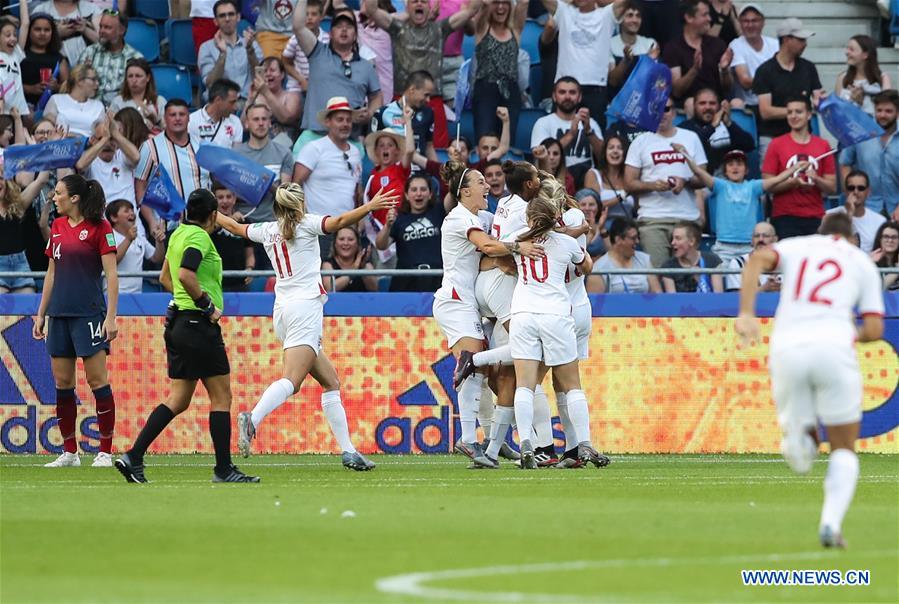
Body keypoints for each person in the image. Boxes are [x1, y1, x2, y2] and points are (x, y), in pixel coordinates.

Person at [218, 183, 398, 470]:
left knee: (331, 382)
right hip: (305, 309)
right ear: (300, 205)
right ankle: (252, 418)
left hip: (282, 311)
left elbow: (236, 228)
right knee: (292, 381)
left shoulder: (267, 230)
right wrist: (369, 207)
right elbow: (338, 222)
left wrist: (208, 212)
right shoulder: (307, 224)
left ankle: (349, 451)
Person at [735, 212, 885, 549]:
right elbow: (875, 329)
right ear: (850, 237)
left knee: (800, 457)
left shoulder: (798, 246)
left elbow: (756, 259)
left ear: (821, 231)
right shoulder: (861, 263)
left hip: (788, 348)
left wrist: (746, 314)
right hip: (834, 349)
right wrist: (852, 334)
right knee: (844, 448)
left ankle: (799, 440)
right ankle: (831, 523)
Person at [115, 189, 260, 484]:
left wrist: (184, 300)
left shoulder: (178, 234)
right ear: (211, 215)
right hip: (197, 324)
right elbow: (184, 275)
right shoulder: (198, 238)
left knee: (179, 399)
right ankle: (223, 470)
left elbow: (164, 278)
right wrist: (206, 305)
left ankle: (134, 456)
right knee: (222, 396)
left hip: (179, 323)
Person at [436, 160, 543, 467]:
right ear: (465, 191)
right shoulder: (458, 218)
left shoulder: (480, 215)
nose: (487, 186)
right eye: (480, 182)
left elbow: (500, 222)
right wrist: (518, 249)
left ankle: (490, 439)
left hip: (471, 301)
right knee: (472, 368)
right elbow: (486, 245)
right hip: (456, 299)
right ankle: (469, 441)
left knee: (484, 375)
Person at [505, 193, 607, 469]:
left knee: (525, 383)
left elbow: (495, 247)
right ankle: (584, 443)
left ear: (529, 218)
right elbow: (586, 267)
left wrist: (518, 246)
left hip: (523, 313)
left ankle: (526, 441)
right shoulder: (566, 242)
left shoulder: (518, 239)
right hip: (556, 315)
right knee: (571, 384)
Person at [33, 174, 118, 468]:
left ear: (75, 198)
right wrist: (41, 313)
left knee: (97, 381)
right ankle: (70, 452)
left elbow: (112, 275)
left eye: (57, 193)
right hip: (59, 313)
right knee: (63, 383)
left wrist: (111, 317)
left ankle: (105, 451)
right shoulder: (57, 227)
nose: (53, 198)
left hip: (89, 314)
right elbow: (51, 273)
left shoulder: (100, 227)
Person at [363, 0, 482, 148]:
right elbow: (371, 9)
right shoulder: (396, 28)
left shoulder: (440, 29)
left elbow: (472, 10)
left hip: (433, 102)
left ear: (429, 7)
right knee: (399, 153)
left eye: (423, 2)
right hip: (401, 103)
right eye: (414, 1)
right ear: (407, 7)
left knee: (437, 153)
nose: (419, 4)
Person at [674, 145, 807, 261]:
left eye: (739, 164)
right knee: (724, 287)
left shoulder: (754, 186)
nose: (735, 167)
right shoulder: (720, 185)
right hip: (723, 247)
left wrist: (795, 167)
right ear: (725, 170)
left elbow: (777, 179)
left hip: (749, 247)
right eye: (730, 164)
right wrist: (684, 153)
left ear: (746, 170)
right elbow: (698, 171)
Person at [624, 98, 707, 267]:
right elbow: (629, 183)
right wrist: (653, 186)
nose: (661, 114)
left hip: (687, 218)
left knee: (691, 275)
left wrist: (685, 181)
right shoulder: (640, 141)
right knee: (658, 275)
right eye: (656, 109)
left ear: (675, 112)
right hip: (653, 219)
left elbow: (703, 178)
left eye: (666, 109)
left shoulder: (691, 138)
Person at [291, 3, 382, 147]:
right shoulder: (317, 52)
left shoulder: (366, 66)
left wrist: (369, 114)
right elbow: (298, 26)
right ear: (331, 33)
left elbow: (376, 96)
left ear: (355, 35)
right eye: (339, 26)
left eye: (349, 26)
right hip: (314, 137)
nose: (344, 29)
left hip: (349, 140)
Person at [538, 0, 627, 129]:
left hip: (595, 91)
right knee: (559, 140)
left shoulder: (607, 14)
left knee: (594, 140)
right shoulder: (564, 11)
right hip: (565, 90)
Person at [292, 96, 363, 256]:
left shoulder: (356, 152)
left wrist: (359, 222)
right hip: (319, 228)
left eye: (348, 120)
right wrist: (301, 222)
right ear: (328, 122)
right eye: (339, 119)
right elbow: (295, 186)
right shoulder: (314, 148)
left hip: (347, 230)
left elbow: (357, 191)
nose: (345, 124)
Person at [761, 96, 836, 239]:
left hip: (815, 216)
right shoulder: (776, 144)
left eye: (798, 112)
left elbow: (832, 187)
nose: (793, 116)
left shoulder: (823, 145)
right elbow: (767, 185)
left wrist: (816, 179)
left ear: (809, 114)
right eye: (789, 112)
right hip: (785, 217)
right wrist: (792, 182)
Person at [135, 99, 210, 237]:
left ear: (189, 118)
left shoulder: (202, 145)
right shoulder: (150, 147)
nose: (177, 118)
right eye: (172, 114)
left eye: (182, 114)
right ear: (165, 118)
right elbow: (141, 190)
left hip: (203, 228)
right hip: (168, 228)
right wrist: (151, 221)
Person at [752, 18, 822, 160]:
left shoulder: (809, 68)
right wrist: (799, 112)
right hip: (772, 137)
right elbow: (765, 111)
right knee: (771, 180)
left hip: (803, 138)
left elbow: (818, 97)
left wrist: (820, 102)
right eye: (801, 40)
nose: (805, 44)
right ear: (786, 40)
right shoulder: (765, 71)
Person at [376, 174, 450, 292]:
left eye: (423, 189)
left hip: (437, 279)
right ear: (406, 195)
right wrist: (387, 226)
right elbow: (381, 245)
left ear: (430, 194)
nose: (418, 193)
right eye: (414, 190)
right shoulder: (399, 219)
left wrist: (454, 175)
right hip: (406, 281)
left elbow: (452, 196)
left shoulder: (439, 211)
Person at [530, 77, 604, 188]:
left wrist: (589, 131)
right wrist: (570, 135)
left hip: (585, 183)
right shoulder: (543, 123)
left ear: (579, 97)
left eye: (572, 92)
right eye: (562, 92)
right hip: (554, 179)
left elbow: (604, 158)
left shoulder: (591, 123)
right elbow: (538, 157)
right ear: (554, 97)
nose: (567, 97)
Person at [470, 0, 527, 141]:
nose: (500, 7)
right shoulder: (483, 28)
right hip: (485, 91)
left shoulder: (515, 29)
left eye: (505, 3)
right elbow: (480, 8)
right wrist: (486, 4)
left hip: (510, 92)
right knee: (485, 138)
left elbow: (524, 2)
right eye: (496, 2)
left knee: (508, 139)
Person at [663, 0, 733, 112]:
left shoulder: (718, 44)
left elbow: (727, 88)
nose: (709, 19)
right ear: (689, 18)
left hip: (715, 101)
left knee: (737, 103)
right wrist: (694, 70)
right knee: (691, 103)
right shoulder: (673, 48)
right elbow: (676, 91)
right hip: (688, 104)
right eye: (704, 15)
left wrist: (724, 70)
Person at [839, 90, 899, 219]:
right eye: (879, 110)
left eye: (888, 111)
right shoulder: (860, 132)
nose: (882, 115)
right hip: (866, 207)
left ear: (898, 113)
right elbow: (845, 163)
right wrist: (851, 192)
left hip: (896, 207)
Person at [233, 103, 295, 225]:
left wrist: (268, 184)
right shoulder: (236, 154)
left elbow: (285, 197)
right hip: (243, 222)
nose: (260, 123)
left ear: (270, 123)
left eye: (264, 119)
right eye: (256, 119)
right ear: (247, 124)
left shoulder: (284, 153)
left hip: (273, 223)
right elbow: (229, 193)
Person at [76, 113, 143, 215]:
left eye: (111, 139)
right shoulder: (90, 159)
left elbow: (136, 157)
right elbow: (80, 166)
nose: (107, 144)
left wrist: (115, 134)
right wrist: (105, 139)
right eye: (101, 138)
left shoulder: (122, 155)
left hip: (130, 223)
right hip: (102, 224)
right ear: (93, 140)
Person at [679, 87, 754, 174]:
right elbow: (690, 145)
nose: (707, 107)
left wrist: (729, 123)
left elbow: (749, 145)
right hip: (696, 181)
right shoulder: (685, 128)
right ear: (695, 106)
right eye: (702, 103)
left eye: (712, 103)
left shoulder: (727, 127)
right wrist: (712, 126)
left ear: (719, 106)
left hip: (723, 181)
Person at [197, 0, 262, 98]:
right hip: (221, 102)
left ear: (238, 17)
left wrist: (250, 50)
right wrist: (222, 54)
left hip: (248, 100)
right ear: (215, 21)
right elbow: (210, 84)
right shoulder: (206, 48)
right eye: (222, 15)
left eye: (231, 14)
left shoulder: (252, 44)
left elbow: (260, 77)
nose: (227, 19)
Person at [76, 9, 142, 104]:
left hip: (120, 111)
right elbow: (75, 86)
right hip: (89, 109)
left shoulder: (135, 58)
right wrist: (84, 73)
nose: (101, 31)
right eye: (101, 27)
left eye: (107, 27)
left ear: (121, 30)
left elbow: (139, 93)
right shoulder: (89, 53)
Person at [371, 70, 438, 163]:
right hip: (394, 172)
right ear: (412, 89)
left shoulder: (428, 113)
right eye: (426, 95)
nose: (428, 100)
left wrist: (440, 174)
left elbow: (429, 147)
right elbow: (375, 151)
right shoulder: (383, 113)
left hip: (419, 170)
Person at [0, 173, 49, 293]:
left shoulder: (17, 205)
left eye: (0, 178)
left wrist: (46, 155)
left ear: (6, 182)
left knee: (28, 305)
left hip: (20, 265)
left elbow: (41, 180)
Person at [105, 199, 165, 294]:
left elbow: (157, 258)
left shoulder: (139, 238)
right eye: (126, 211)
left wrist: (159, 242)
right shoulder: (108, 236)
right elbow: (111, 261)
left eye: (132, 210)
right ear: (113, 217)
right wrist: (128, 239)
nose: (132, 213)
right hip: (114, 295)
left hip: (137, 295)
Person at [728, 3, 778, 112]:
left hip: (774, 102)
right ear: (740, 23)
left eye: (754, 21)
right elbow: (745, 81)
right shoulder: (736, 45)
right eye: (746, 21)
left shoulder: (775, 45)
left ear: (763, 22)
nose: (750, 25)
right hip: (748, 104)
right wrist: (774, 83)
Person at [245, 57, 303, 147]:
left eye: (272, 70)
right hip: (258, 144)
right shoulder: (257, 98)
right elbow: (243, 125)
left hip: (284, 146)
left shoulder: (292, 96)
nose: (268, 74)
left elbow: (286, 118)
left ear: (282, 74)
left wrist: (266, 92)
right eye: (265, 71)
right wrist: (250, 99)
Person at [209, 181, 255, 292]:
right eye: (220, 197)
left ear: (234, 199)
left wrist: (250, 269)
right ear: (215, 201)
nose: (225, 201)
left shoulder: (244, 222)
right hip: (214, 283)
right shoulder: (208, 224)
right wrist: (227, 222)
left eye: (228, 197)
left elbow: (250, 254)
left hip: (239, 283)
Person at [825, 170, 886, 253]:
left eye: (861, 188)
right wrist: (849, 214)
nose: (856, 192)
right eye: (851, 188)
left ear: (868, 192)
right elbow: (835, 244)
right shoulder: (830, 216)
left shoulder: (880, 221)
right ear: (845, 192)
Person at [593, 217, 659, 293]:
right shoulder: (599, 268)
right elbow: (595, 302)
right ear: (618, 239)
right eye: (633, 238)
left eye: (638, 238)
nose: (637, 241)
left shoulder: (644, 259)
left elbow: (657, 294)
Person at [20, 10, 70, 108]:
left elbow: (69, 89)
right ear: (29, 31)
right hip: (21, 108)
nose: (42, 33)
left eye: (47, 30)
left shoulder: (59, 59)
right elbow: (8, 84)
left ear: (52, 33)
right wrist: (30, 89)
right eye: (37, 29)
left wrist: (56, 87)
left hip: (51, 110)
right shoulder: (19, 55)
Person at [835, 35, 891, 117]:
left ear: (865, 54)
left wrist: (861, 102)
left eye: (852, 49)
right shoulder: (842, 78)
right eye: (847, 49)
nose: (846, 52)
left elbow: (887, 110)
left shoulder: (883, 78)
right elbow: (837, 111)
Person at [660, 220, 724, 292]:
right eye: (673, 238)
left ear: (691, 241)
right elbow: (672, 300)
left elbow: (718, 297)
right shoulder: (668, 266)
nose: (672, 243)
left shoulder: (713, 261)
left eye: (678, 238)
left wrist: (700, 280)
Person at [43, 63, 104, 137]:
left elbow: (101, 135)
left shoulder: (98, 106)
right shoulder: (56, 100)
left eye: (98, 80)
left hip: (90, 147)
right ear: (79, 80)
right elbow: (47, 129)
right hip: (61, 145)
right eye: (93, 79)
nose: (97, 83)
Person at [608, 1, 659, 89]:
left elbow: (655, 80)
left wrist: (647, 61)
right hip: (617, 97)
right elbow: (613, 81)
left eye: (638, 16)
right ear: (620, 19)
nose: (634, 20)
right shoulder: (610, 44)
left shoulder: (650, 43)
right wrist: (626, 61)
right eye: (630, 15)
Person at [584, 134, 634, 222]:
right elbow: (591, 208)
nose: (615, 151)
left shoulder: (630, 177)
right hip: (601, 228)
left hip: (626, 231)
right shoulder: (593, 174)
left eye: (620, 148)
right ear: (604, 152)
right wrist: (621, 197)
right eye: (611, 148)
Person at [32, 0, 101, 65]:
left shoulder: (92, 9)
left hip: (85, 67)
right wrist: (56, 34)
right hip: (49, 65)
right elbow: (31, 43)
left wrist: (85, 30)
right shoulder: (41, 10)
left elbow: (105, 41)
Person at [282, 0, 330, 93]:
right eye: (306, 14)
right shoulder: (295, 39)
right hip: (298, 87)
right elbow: (285, 62)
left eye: (314, 14)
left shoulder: (327, 40)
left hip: (320, 85)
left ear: (321, 17)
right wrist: (301, 80)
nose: (309, 18)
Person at [108, 58, 166, 131]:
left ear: (148, 78)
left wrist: (156, 121)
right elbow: (110, 129)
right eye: (130, 76)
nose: (134, 80)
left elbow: (167, 130)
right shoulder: (118, 101)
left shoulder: (159, 101)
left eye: (138, 76)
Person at [723, 221, 780, 292]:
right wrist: (764, 289)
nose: (760, 239)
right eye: (756, 236)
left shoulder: (785, 263)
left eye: (765, 236)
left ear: (775, 239)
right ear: (752, 240)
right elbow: (733, 297)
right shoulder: (738, 263)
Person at [188, 78, 243, 148]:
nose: (235, 107)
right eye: (231, 102)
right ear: (218, 100)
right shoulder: (191, 121)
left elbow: (236, 154)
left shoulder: (235, 122)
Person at [321, 227, 379, 292]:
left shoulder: (366, 264)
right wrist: (353, 270)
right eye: (341, 239)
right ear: (335, 243)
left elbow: (374, 289)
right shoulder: (327, 264)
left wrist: (362, 267)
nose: (346, 243)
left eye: (350, 239)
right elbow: (329, 289)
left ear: (357, 244)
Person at [0, 14, 30, 117]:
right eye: (8, 35)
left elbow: (25, 24)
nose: (13, 38)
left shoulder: (16, 54)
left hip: (17, 112)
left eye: (15, 35)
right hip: (2, 111)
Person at [871, 221, 899, 290]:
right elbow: (876, 290)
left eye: (894, 237)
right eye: (886, 237)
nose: (890, 240)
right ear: (880, 239)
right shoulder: (871, 262)